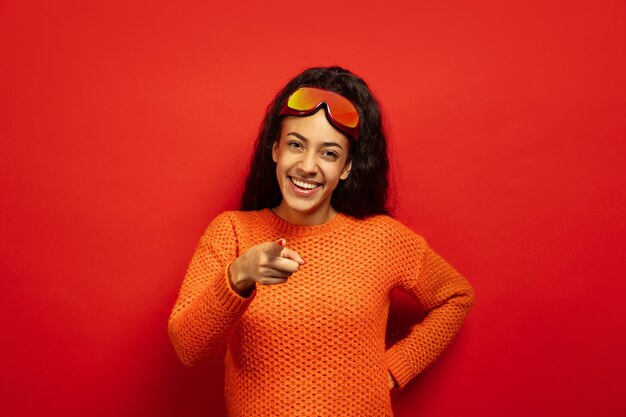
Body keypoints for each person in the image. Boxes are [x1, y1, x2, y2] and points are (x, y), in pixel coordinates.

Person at [167, 66, 475, 416]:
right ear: (275, 150)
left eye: (328, 153)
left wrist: (395, 367)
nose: (308, 166)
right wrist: (240, 275)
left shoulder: (381, 238)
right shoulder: (232, 233)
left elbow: (456, 295)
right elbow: (189, 350)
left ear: (345, 167)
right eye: (296, 145)